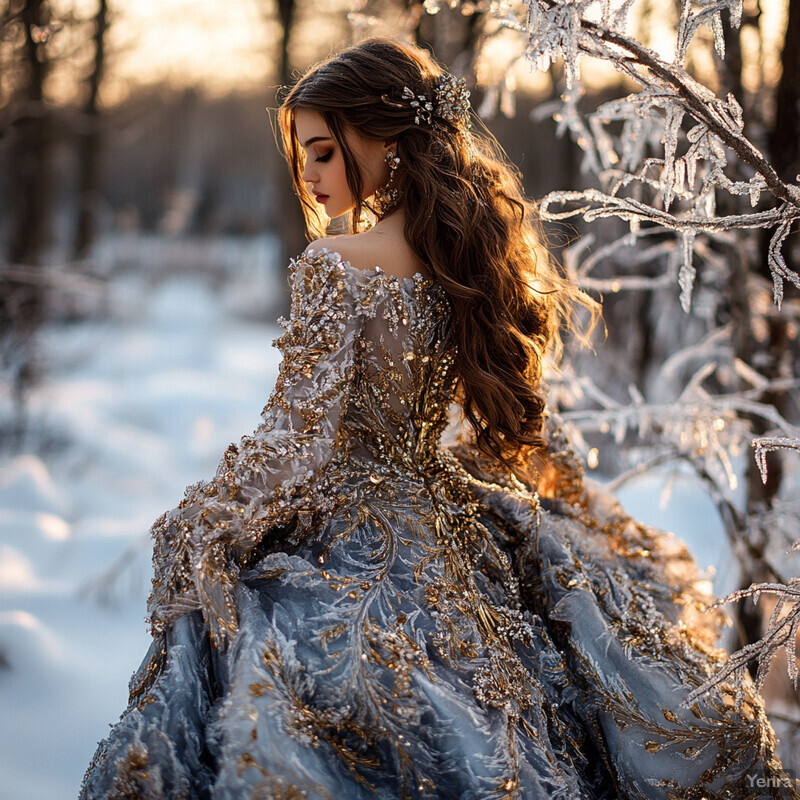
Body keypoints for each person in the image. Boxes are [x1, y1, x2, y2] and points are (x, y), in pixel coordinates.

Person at [79, 37, 797, 800]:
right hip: (446, 514)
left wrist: (202, 521)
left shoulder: (338, 263)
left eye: (323, 151)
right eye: (303, 158)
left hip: (355, 536)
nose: (311, 177)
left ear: (382, 137)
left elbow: (298, 440)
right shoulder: (458, 252)